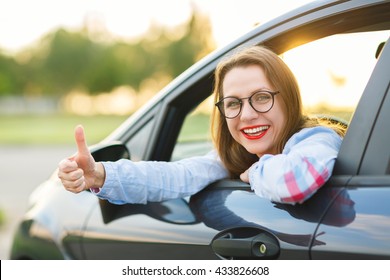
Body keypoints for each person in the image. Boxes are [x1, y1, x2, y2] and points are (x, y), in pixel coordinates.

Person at [58, 45, 346, 205]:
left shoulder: (318, 138)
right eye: (233, 103)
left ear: (290, 100)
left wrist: (254, 173)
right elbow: (174, 176)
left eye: (261, 98)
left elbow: (294, 182)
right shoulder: (235, 158)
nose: (246, 115)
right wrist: (99, 175)